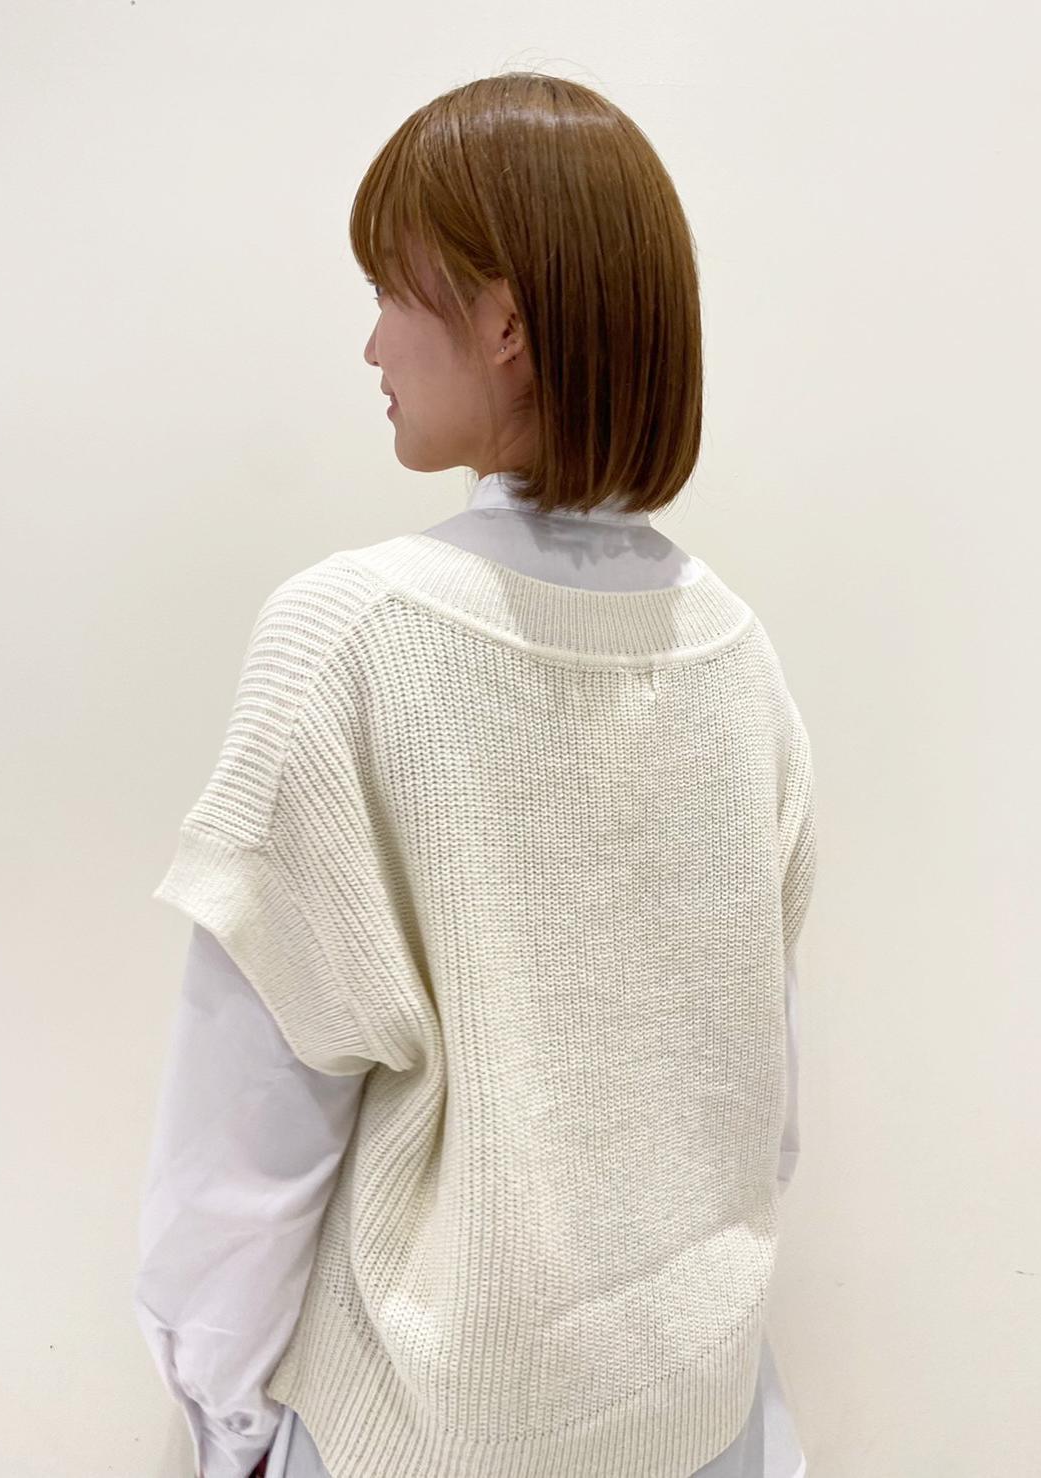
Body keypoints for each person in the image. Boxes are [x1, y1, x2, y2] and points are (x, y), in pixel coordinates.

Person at [135, 71, 818, 1478]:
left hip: (433, 1434)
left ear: (504, 323)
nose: (371, 341)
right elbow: (761, 1107)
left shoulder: (348, 638)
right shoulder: (739, 659)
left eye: (392, 289)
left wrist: (227, 1422)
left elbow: (248, 1132)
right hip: (711, 1421)